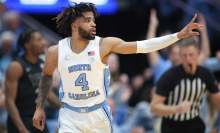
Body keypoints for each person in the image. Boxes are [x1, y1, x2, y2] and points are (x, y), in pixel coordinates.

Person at [32, 2, 203, 133]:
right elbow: (46, 76)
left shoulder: (104, 45)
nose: (93, 24)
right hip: (70, 115)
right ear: (74, 25)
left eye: (93, 20)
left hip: (97, 114)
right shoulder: (55, 51)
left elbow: (144, 46)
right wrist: (39, 108)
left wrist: (178, 35)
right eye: (87, 20)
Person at [150, 37, 220, 133]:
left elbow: (218, 101)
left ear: (198, 54)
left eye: (191, 55)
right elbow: (154, 108)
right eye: (185, 55)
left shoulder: (206, 74)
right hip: (171, 127)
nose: (188, 59)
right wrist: (176, 109)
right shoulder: (170, 76)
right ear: (180, 56)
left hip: (195, 126)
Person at [5, 29, 63, 133]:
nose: (43, 42)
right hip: (21, 120)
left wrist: (65, 109)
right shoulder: (16, 66)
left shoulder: (42, 64)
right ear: (27, 45)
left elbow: (47, 94)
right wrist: (22, 129)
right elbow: (9, 101)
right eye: (39, 40)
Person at [146, 9, 211, 85]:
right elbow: (149, 47)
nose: (176, 57)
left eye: (179, 53)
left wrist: (203, 31)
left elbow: (205, 53)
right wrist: (153, 25)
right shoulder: (162, 67)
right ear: (169, 55)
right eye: (173, 53)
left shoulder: (189, 68)